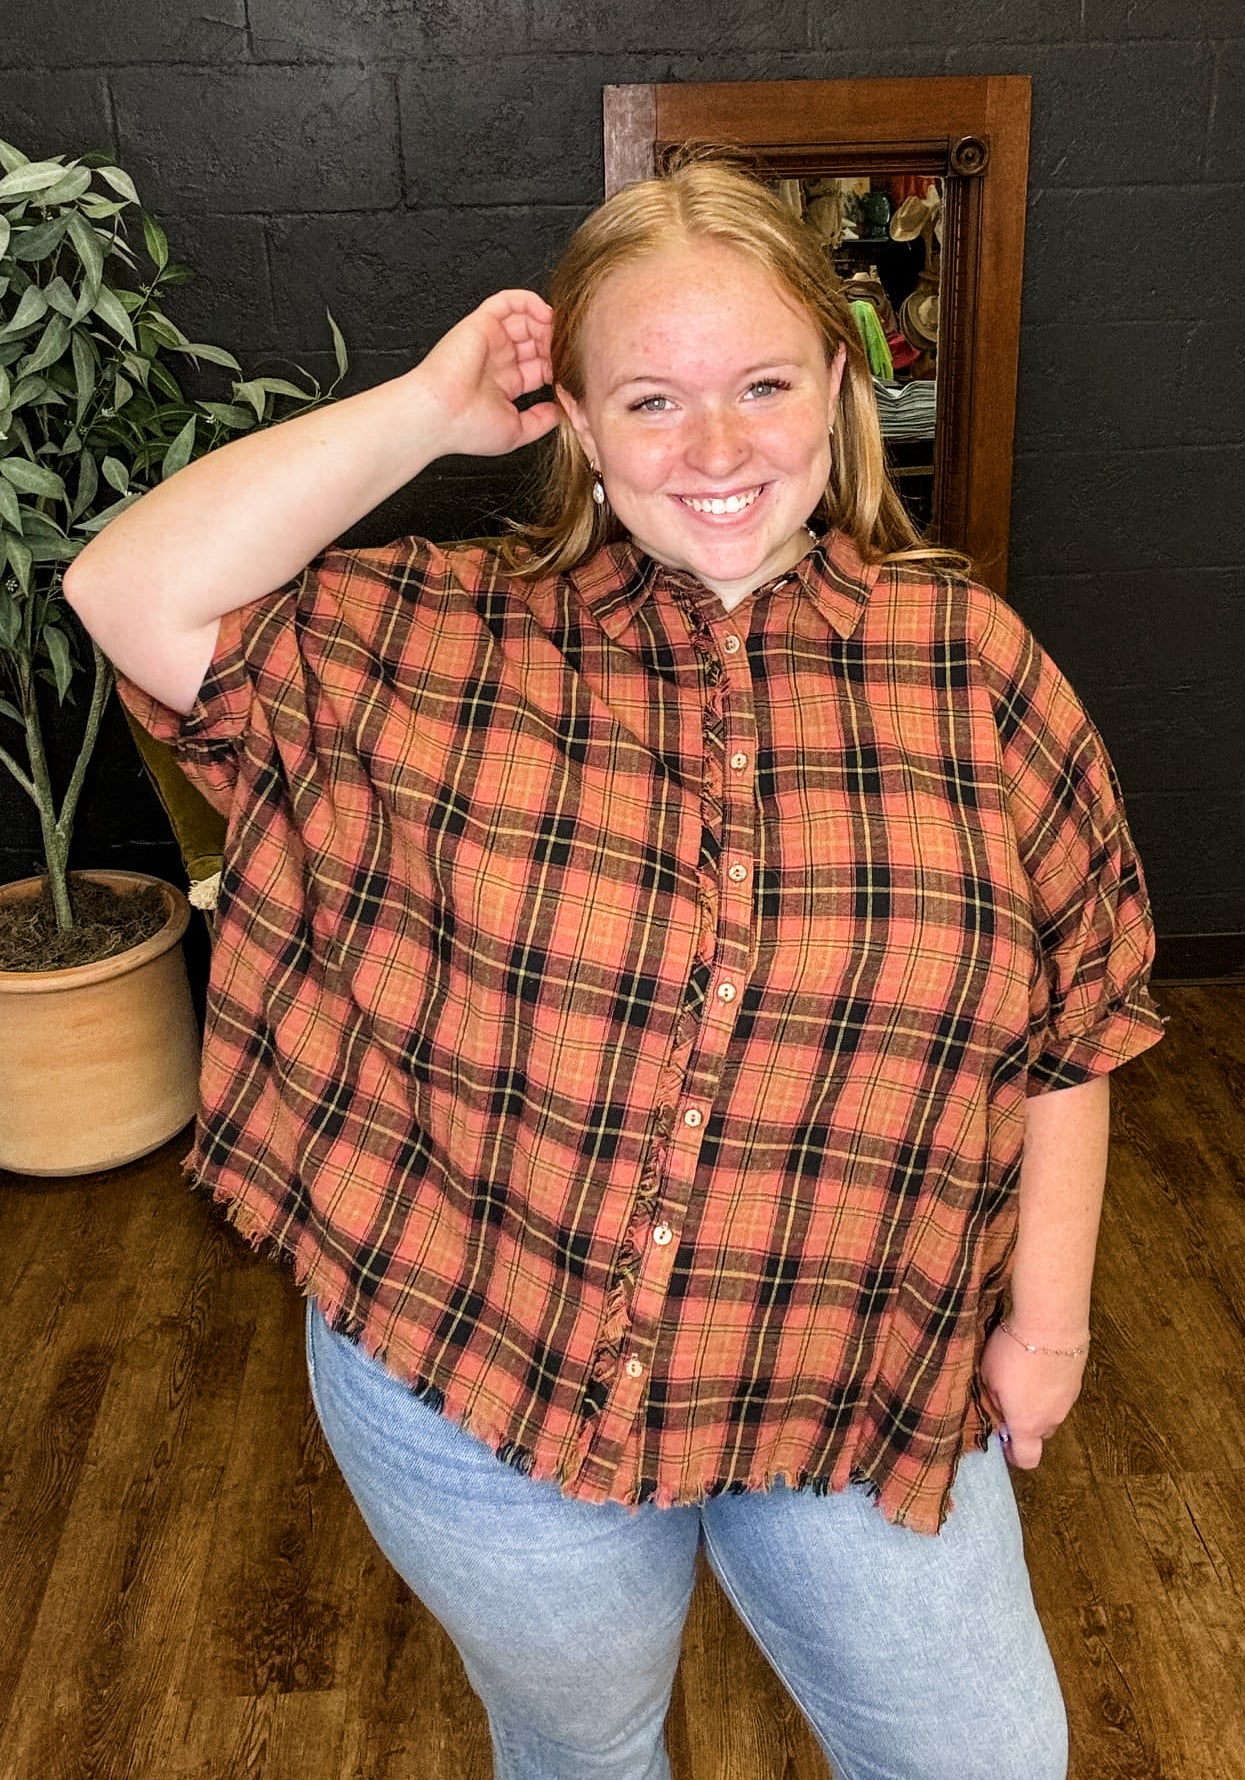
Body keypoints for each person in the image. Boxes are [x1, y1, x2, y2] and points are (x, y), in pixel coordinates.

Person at [66, 157, 1164, 1780]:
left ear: (840, 385)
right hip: (477, 1377)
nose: (715, 450)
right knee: (580, 1756)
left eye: (763, 386)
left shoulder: (973, 668)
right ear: (573, 422)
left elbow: (1073, 1022)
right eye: (648, 399)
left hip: (845, 1370)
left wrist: (1049, 1328)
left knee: (982, 1759)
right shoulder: (432, 641)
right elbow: (125, 590)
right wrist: (432, 408)